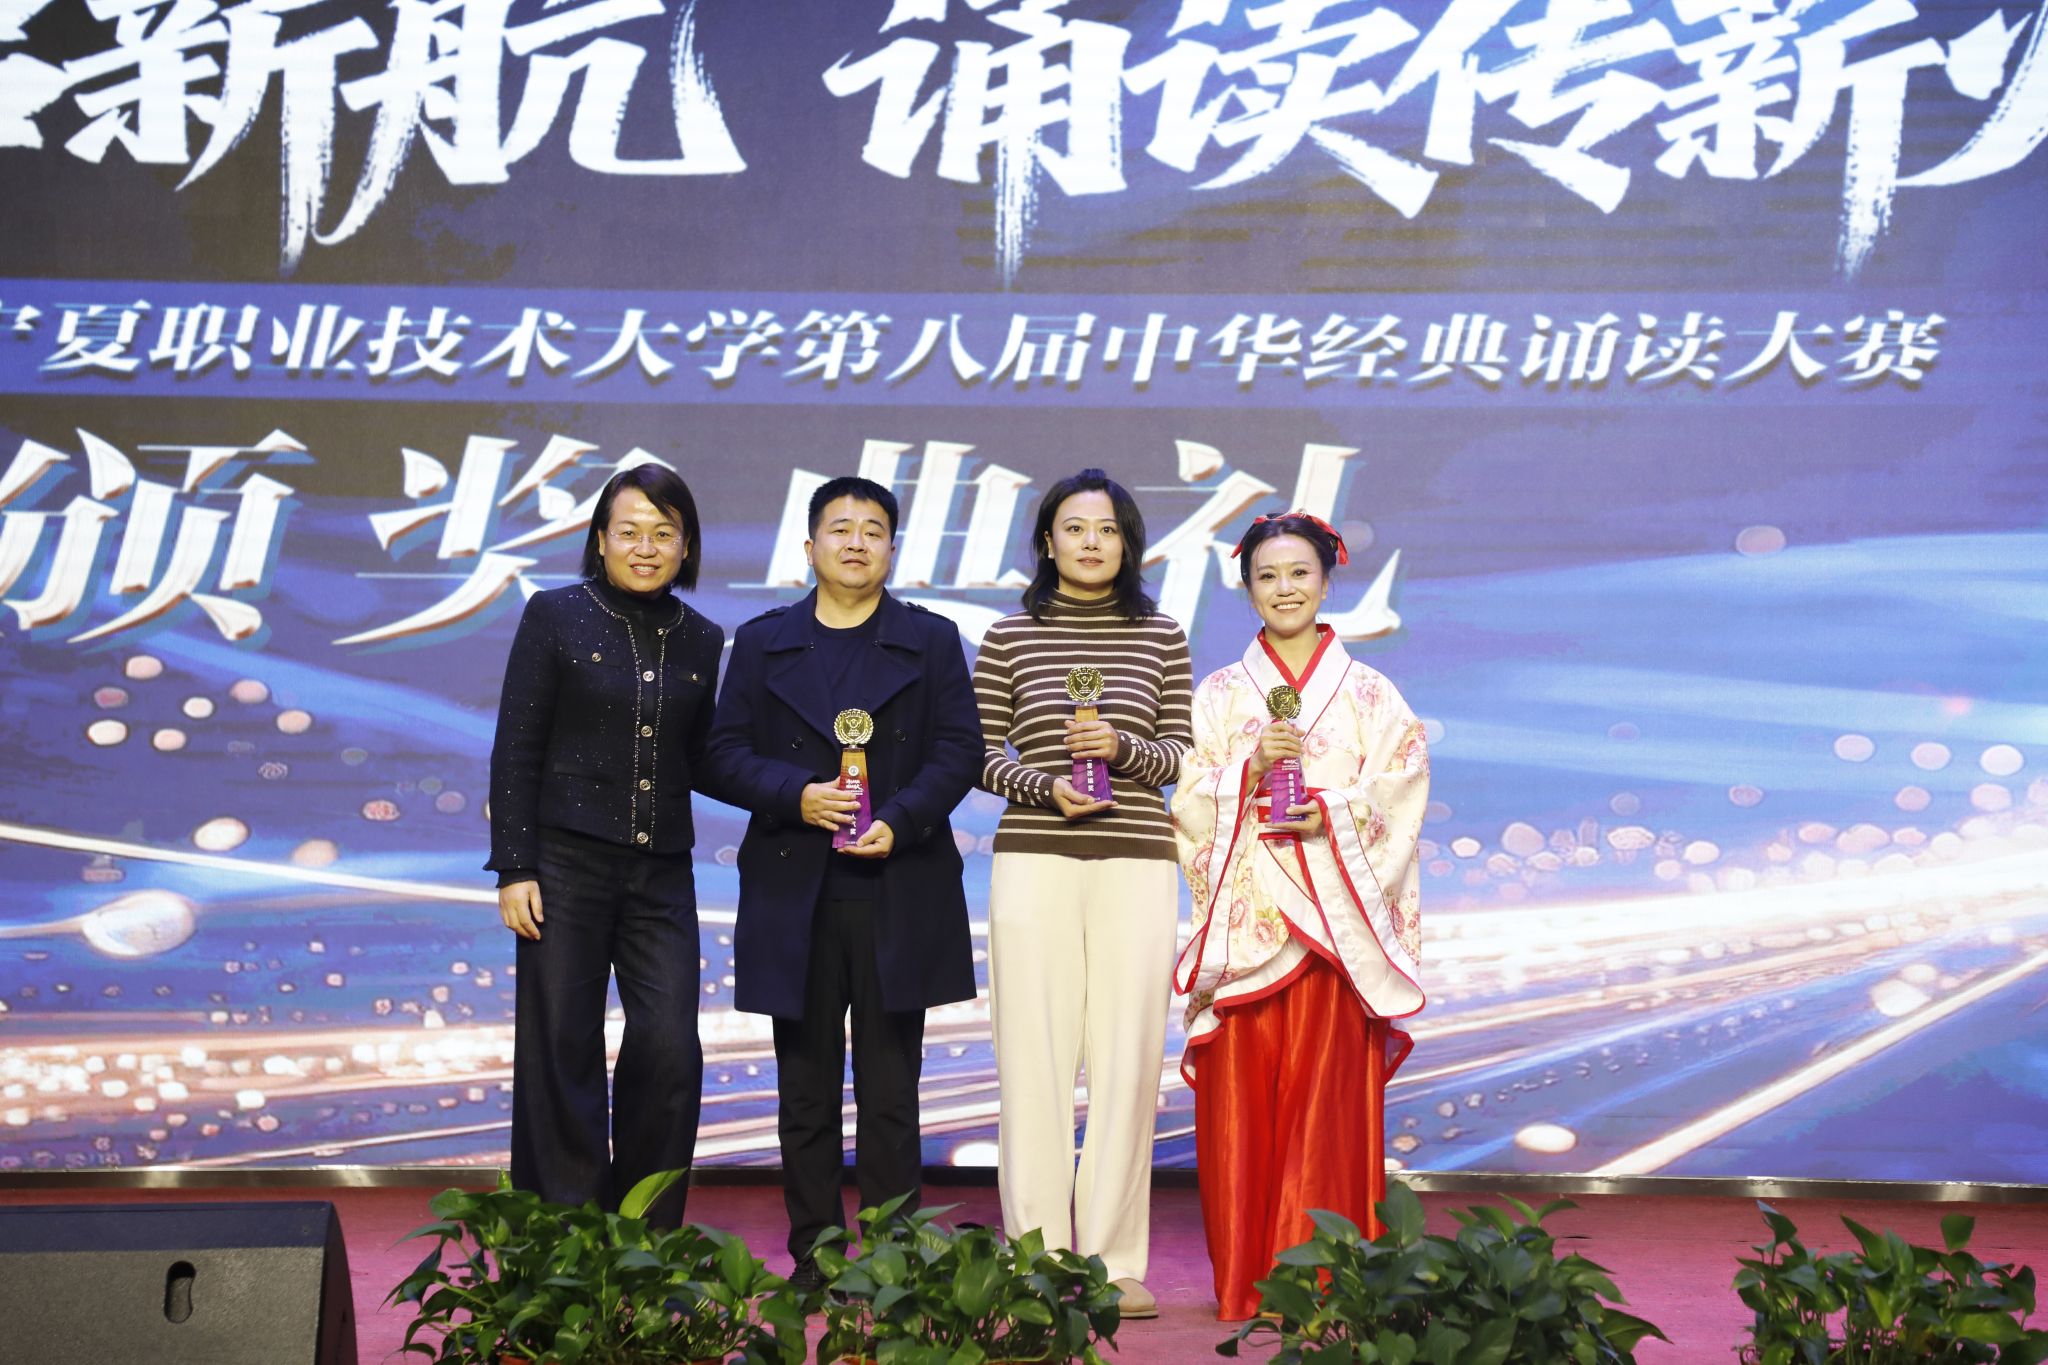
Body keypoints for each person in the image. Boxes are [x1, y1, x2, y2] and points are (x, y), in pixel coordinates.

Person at [704, 475, 982, 1290]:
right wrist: (798, 794)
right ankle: (817, 1256)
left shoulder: (931, 639)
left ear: (892, 548)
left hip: (899, 885)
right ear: (810, 546)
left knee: (893, 1091)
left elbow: (959, 749)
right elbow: (721, 753)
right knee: (806, 1089)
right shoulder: (763, 642)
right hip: (796, 892)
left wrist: (900, 815)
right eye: (840, 527)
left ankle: (894, 1260)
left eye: (872, 529)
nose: (856, 541)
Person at [1170, 511, 1429, 1321]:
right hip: (1248, 928)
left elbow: (1402, 785)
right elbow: (1190, 800)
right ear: (1247, 587)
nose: (1284, 588)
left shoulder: (1370, 693)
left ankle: (1325, 1281)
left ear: (1326, 579)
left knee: (1327, 1113)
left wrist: (1331, 814)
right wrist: (1247, 771)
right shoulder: (1219, 693)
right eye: (1267, 576)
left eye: (1299, 573)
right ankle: (1247, 1279)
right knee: (1241, 1112)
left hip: (1331, 934)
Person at [971, 468, 1193, 1320]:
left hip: (1138, 860)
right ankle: (1033, 1253)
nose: (1091, 541)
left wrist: (1121, 750)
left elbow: (1184, 755)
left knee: (1127, 1062)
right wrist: (1044, 786)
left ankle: (1112, 1259)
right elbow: (978, 752)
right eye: (1074, 527)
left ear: (1128, 543)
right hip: (1035, 856)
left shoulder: (1163, 634)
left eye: (1107, 528)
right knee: (1033, 1057)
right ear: (1047, 540)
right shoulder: (1009, 635)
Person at [486, 463, 723, 1227]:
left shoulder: (703, 637)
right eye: (630, 532)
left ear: (686, 546)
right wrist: (514, 865)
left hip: (663, 875)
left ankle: (646, 1237)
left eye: (664, 533)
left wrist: (799, 789)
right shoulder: (555, 614)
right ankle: (568, 1239)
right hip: (564, 866)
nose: (646, 547)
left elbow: (705, 757)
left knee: (671, 1046)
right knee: (562, 1047)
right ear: (599, 539)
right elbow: (516, 744)